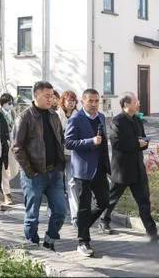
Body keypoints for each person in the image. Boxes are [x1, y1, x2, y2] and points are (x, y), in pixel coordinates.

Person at [100, 92, 159, 242]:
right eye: (135, 101)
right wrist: (137, 144)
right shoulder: (117, 121)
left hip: (138, 168)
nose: (138, 103)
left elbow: (143, 139)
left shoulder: (137, 119)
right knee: (112, 198)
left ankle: (151, 230)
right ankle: (104, 220)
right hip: (122, 169)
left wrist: (144, 143)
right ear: (126, 104)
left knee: (144, 200)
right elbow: (117, 144)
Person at [13, 81, 66, 251]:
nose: (51, 99)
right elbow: (17, 148)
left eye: (52, 96)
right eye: (47, 96)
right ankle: (33, 246)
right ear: (36, 95)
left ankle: (49, 241)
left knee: (60, 211)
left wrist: (60, 166)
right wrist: (30, 171)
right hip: (34, 175)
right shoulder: (25, 117)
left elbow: (60, 140)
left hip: (54, 173)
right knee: (32, 216)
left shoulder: (54, 116)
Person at [65, 88, 111, 257]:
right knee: (84, 207)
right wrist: (90, 141)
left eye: (96, 101)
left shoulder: (101, 117)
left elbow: (103, 142)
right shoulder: (76, 119)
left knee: (104, 202)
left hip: (100, 168)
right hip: (82, 171)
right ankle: (83, 242)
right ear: (83, 101)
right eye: (90, 101)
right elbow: (69, 142)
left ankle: (82, 226)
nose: (94, 104)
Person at [58, 90, 79, 226]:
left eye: (73, 101)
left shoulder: (79, 115)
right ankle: (55, 211)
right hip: (58, 154)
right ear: (63, 101)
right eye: (68, 101)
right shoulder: (56, 115)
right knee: (57, 184)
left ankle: (75, 216)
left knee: (72, 184)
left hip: (73, 154)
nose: (71, 103)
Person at [0, 93, 19, 205]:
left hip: (13, 143)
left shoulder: (12, 113)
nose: (11, 105)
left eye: (12, 103)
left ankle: (2, 184)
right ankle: (7, 194)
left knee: (15, 170)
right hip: (3, 145)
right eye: (9, 103)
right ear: (3, 103)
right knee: (4, 170)